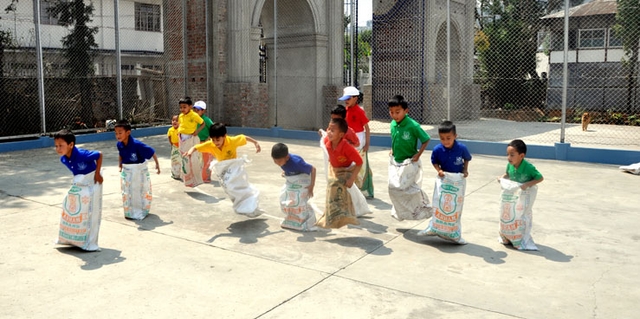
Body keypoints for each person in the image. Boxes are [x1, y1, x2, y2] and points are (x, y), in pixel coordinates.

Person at [185, 123, 263, 217]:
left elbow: (243, 137)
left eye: (218, 139)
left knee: (240, 187)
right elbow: (196, 147)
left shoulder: (232, 141)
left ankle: (250, 202)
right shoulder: (211, 145)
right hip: (223, 169)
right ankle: (241, 206)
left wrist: (255, 143)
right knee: (229, 189)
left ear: (224, 136)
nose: (215, 142)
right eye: (213, 139)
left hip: (234, 168)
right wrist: (190, 152)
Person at [417, 120, 471, 244]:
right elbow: (434, 161)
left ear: (455, 136)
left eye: (448, 138)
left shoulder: (461, 148)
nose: (445, 141)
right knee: (440, 201)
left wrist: (465, 170)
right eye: (442, 138)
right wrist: (439, 170)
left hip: (457, 181)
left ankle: (454, 232)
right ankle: (435, 227)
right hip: (443, 179)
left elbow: (467, 158)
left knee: (455, 206)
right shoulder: (437, 149)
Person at [53, 129, 103, 251]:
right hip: (80, 184)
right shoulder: (63, 159)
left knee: (91, 212)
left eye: (61, 145)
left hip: (93, 182)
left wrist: (97, 174)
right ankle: (72, 238)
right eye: (56, 146)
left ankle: (89, 242)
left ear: (71, 145)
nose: (58, 149)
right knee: (71, 207)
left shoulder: (82, 155)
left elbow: (99, 154)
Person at [387, 95, 433, 221]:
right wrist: (392, 149)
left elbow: (426, 139)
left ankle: (423, 206)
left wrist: (418, 155)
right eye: (391, 112)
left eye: (397, 112)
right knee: (393, 188)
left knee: (409, 189)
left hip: (409, 163)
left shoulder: (413, 125)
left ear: (406, 111)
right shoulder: (392, 124)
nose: (394, 115)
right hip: (396, 162)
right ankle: (400, 212)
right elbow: (394, 139)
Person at [316, 118, 364, 229]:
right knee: (331, 191)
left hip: (346, 169)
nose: (329, 132)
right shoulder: (327, 142)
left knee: (337, 188)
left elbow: (359, 162)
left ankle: (346, 216)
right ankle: (330, 218)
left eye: (332, 130)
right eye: (328, 128)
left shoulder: (347, 147)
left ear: (341, 134)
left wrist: (352, 178)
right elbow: (324, 138)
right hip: (334, 169)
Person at [498, 139, 544, 250]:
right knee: (509, 214)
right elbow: (508, 174)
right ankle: (507, 236)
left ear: (521, 156)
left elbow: (540, 178)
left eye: (512, 155)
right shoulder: (510, 165)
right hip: (513, 196)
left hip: (524, 196)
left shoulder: (528, 167)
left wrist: (527, 184)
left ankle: (520, 238)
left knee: (522, 216)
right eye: (507, 154)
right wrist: (502, 178)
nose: (509, 157)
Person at [115, 120, 160, 220]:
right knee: (127, 191)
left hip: (138, 171)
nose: (118, 135)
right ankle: (129, 212)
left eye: (120, 133)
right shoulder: (119, 144)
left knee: (139, 191)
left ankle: (141, 210)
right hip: (127, 170)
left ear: (128, 133)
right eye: (116, 133)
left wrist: (157, 164)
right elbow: (121, 154)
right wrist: (120, 165)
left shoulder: (137, 144)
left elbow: (152, 152)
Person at [271, 142, 320, 231]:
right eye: (275, 161)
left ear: (287, 157)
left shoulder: (297, 162)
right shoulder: (283, 160)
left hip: (303, 180)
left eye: (279, 161)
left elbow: (313, 169)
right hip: (292, 179)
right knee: (285, 198)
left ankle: (308, 221)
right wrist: (286, 173)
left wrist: (312, 186)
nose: (277, 163)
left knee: (298, 200)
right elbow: (287, 167)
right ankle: (293, 220)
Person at [338, 86, 373, 198]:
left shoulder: (359, 111)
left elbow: (367, 128)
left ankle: (363, 190)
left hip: (359, 141)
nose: (346, 101)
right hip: (348, 140)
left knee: (360, 166)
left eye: (348, 98)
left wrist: (367, 144)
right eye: (345, 99)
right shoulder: (345, 111)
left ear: (355, 98)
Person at [177, 97, 205, 187]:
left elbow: (202, 123)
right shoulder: (181, 116)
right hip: (182, 139)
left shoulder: (194, 115)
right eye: (180, 107)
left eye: (184, 107)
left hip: (190, 138)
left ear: (190, 107)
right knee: (184, 159)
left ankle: (195, 179)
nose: (182, 109)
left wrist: (197, 131)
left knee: (192, 158)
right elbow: (181, 125)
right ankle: (186, 178)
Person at [193, 100, 215, 183]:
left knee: (207, 160)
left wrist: (209, 138)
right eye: (195, 109)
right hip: (197, 142)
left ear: (203, 111)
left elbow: (213, 129)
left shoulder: (206, 120)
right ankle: (199, 176)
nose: (196, 111)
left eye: (198, 110)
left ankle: (206, 177)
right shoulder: (194, 119)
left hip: (205, 142)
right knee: (198, 160)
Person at [167, 114, 181, 180]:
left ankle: (181, 173)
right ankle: (174, 173)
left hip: (180, 146)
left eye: (176, 120)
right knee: (174, 160)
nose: (174, 122)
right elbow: (169, 137)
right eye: (173, 120)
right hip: (174, 147)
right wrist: (171, 144)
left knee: (181, 160)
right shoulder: (170, 130)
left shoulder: (181, 129)